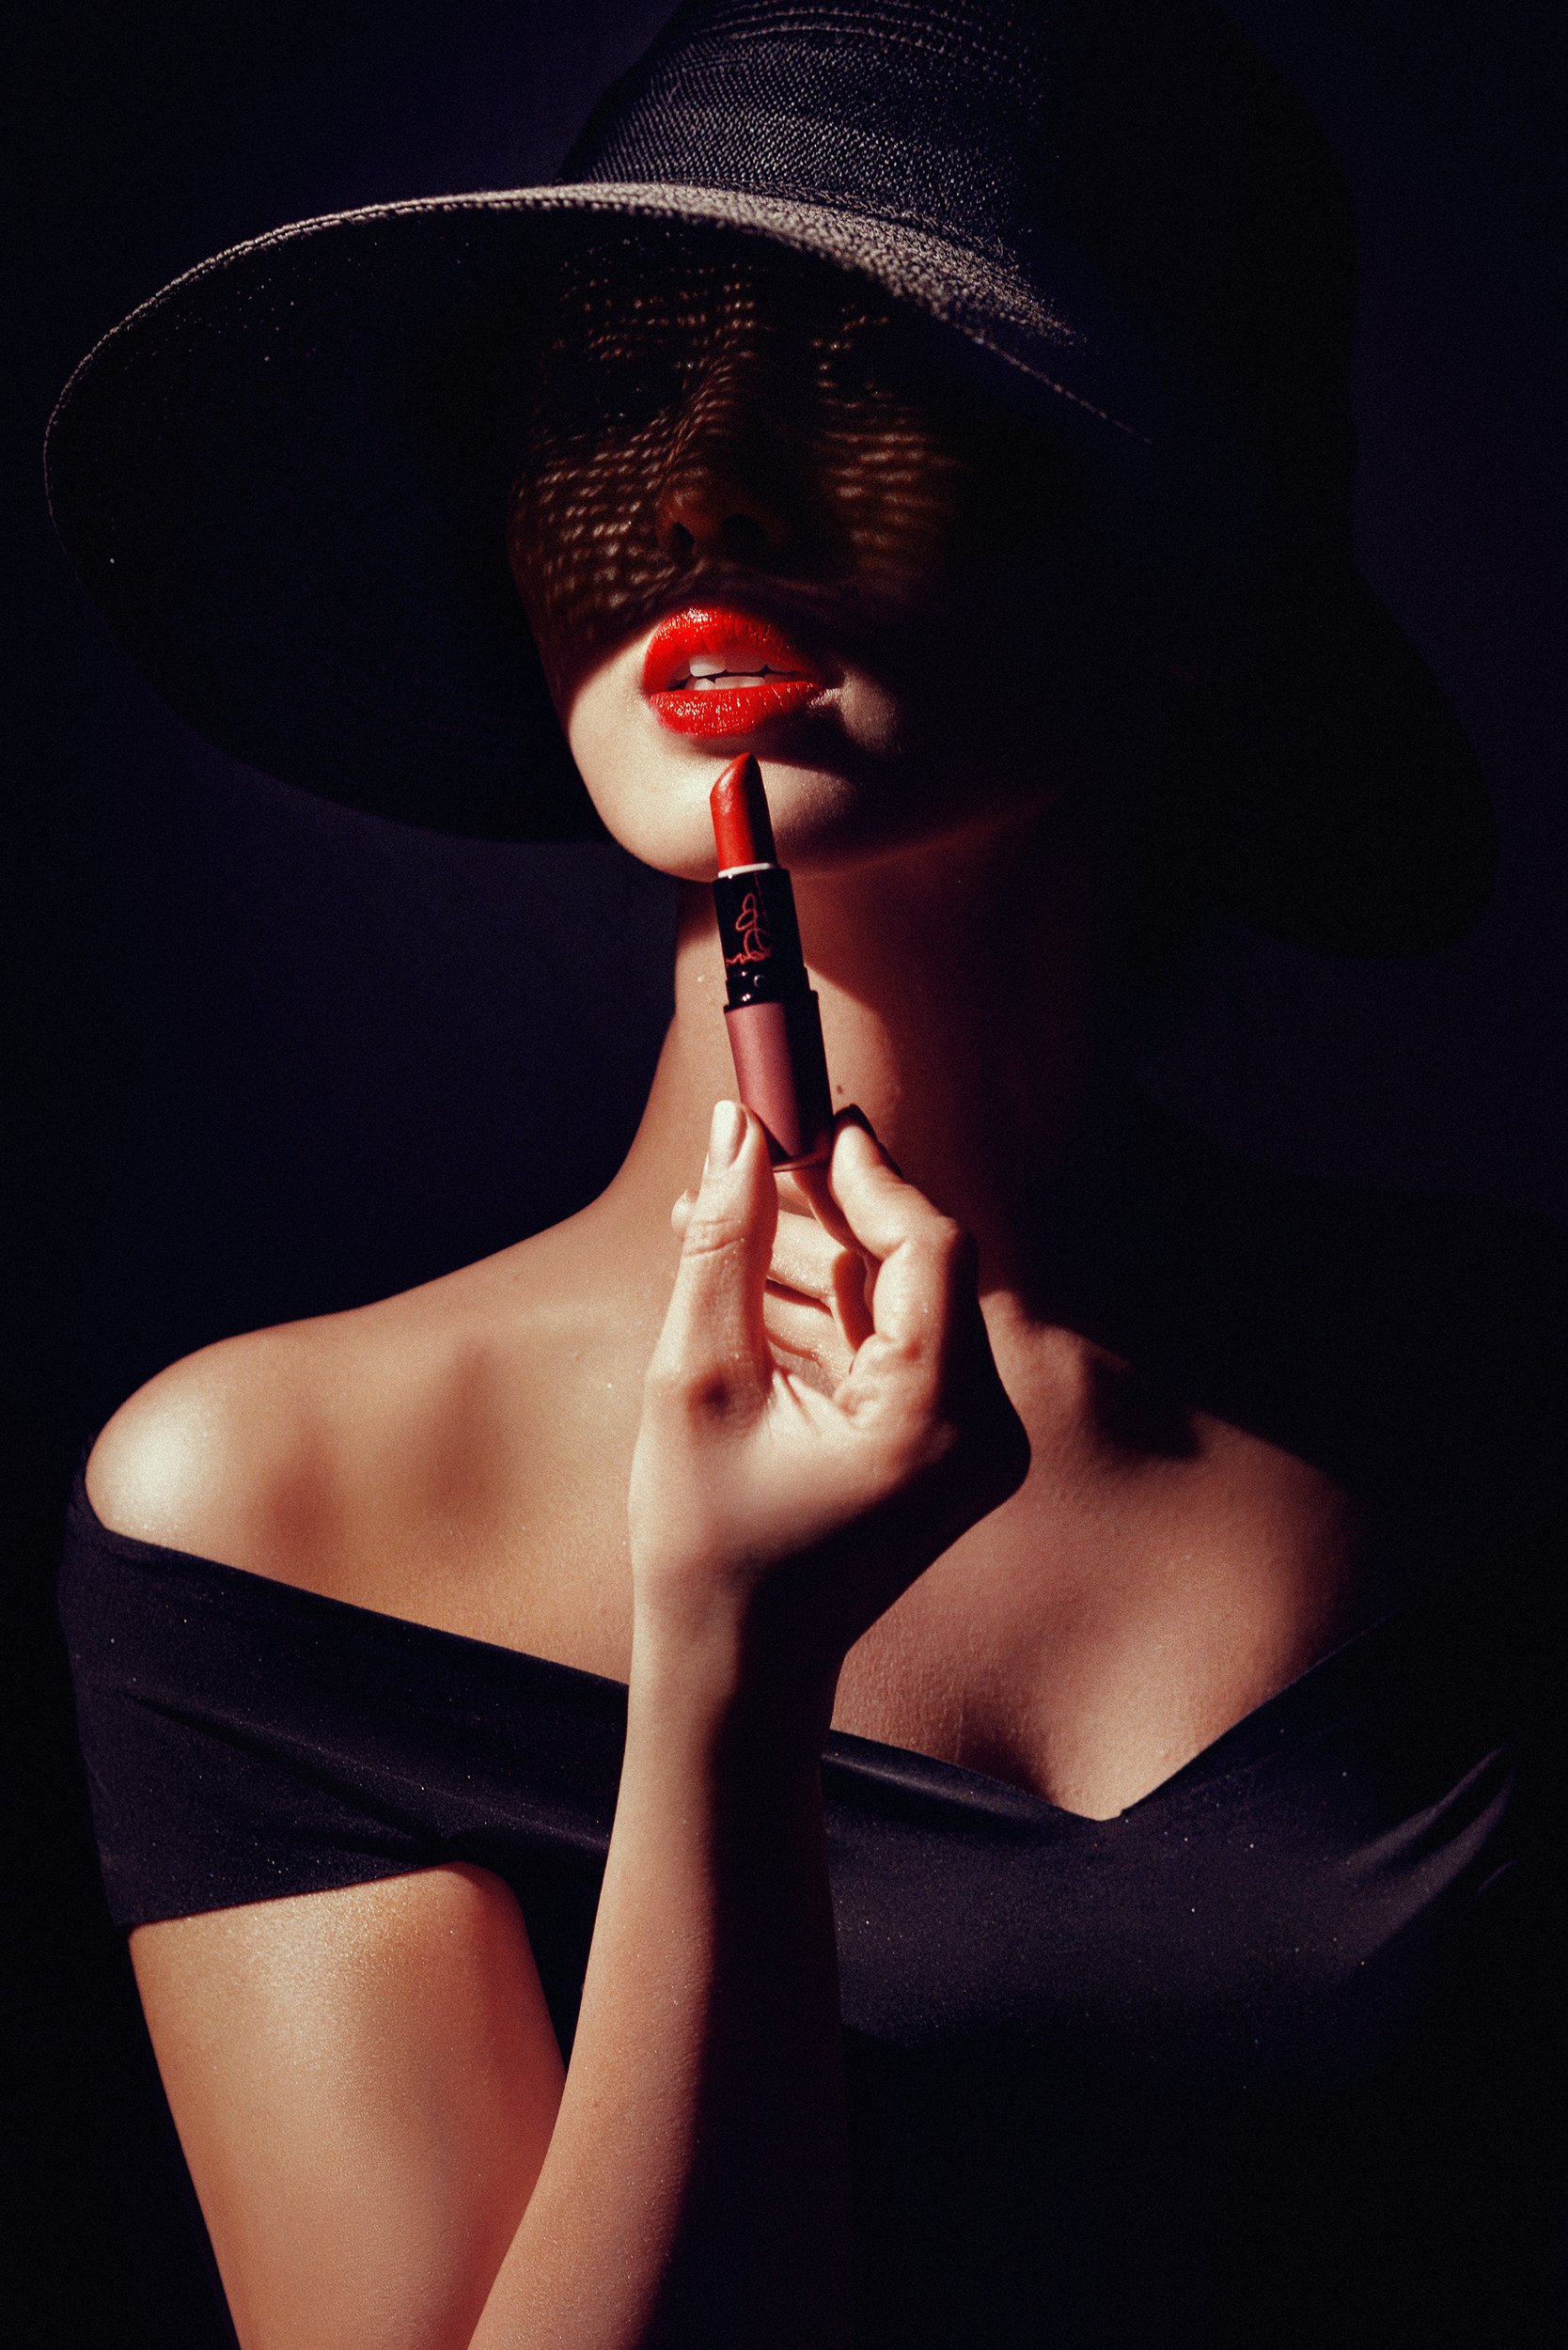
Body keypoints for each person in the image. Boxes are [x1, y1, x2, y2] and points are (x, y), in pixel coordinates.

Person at [48, 4, 1564, 2345]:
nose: (703, 498)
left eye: (875, 377)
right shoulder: (271, 1497)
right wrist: (726, 1675)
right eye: (611, 386)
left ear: (1194, 568)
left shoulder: (1496, 1406)